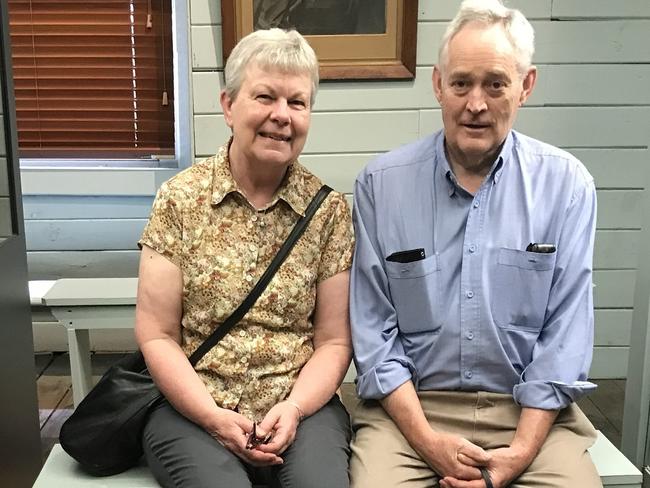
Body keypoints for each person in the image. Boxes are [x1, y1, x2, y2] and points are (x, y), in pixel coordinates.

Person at [348, 1, 602, 487]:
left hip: (529, 412)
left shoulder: (567, 186)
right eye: (461, 82)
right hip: (412, 412)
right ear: (438, 84)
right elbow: (374, 335)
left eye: (496, 83)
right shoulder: (382, 185)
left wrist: (522, 451)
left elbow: (565, 336)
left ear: (526, 86)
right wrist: (428, 443)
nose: (476, 103)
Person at [135, 28, 354, 488]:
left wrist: (294, 408)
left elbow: (334, 340)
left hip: (301, 407)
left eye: (297, 102)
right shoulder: (179, 201)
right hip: (194, 405)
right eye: (265, 97)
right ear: (229, 105)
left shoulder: (329, 212)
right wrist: (213, 418)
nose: (282, 116)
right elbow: (156, 334)